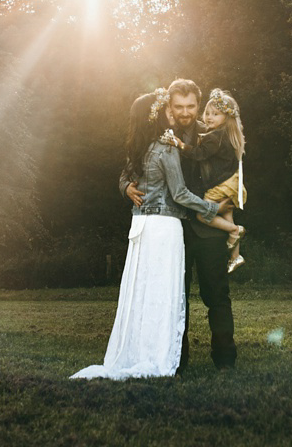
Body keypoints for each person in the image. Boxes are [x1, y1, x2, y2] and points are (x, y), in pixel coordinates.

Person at [71, 89, 222, 380]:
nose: (173, 113)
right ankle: (159, 356)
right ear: (156, 115)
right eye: (167, 109)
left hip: (141, 226)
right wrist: (210, 207)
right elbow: (178, 193)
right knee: (163, 294)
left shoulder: (142, 147)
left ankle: (142, 351)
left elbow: (136, 175)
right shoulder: (165, 148)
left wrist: (130, 186)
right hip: (164, 227)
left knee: (142, 293)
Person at [123, 79, 238, 371]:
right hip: (173, 229)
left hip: (208, 227)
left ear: (198, 106)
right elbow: (132, 166)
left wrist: (226, 208)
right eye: (178, 107)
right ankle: (177, 360)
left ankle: (225, 360)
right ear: (170, 106)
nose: (185, 112)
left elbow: (231, 174)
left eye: (190, 106)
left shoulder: (212, 133)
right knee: (175, 298)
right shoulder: (159, 130)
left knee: (217, 295)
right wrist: (125, 186)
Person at [167, 88, 247, 273]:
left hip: (217, 190)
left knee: (205, 214)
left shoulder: (212, 136)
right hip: (226, 185)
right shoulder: (224, 134)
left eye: (215, 114)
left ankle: (235, 232)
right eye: (208, 113)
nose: (209, 117)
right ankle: (235, 255)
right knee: (228, 217)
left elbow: (198, 154)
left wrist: (180, 144)